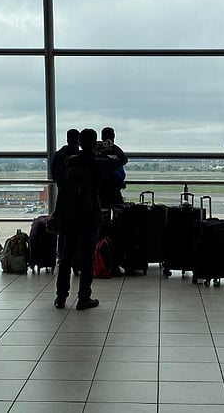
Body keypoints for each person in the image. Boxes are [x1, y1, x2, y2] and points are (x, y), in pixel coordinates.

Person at [54, 128, 127, 310]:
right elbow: (122, 160)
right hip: (90, 215)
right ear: (95, 143)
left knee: (66, 257)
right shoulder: (98, 163)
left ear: (79, 142)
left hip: (71, 215)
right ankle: (84, 298)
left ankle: (61, 297)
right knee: (88, 258)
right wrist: (110, 146)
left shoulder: (70, 161)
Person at [51, 129, 80, 270]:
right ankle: (77, 260)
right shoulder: (80, 157)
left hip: (63, 197)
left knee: (63, 229)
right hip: (80, 199)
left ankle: (62, 257)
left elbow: (53, 174)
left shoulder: (58, 155)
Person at [98, 126, 127, 209]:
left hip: (101, 185)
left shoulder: (98, 149)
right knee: (119, 208)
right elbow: (124, 159)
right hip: (114, 184)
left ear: (102, 137)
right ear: (113, 136)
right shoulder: (116, 150)